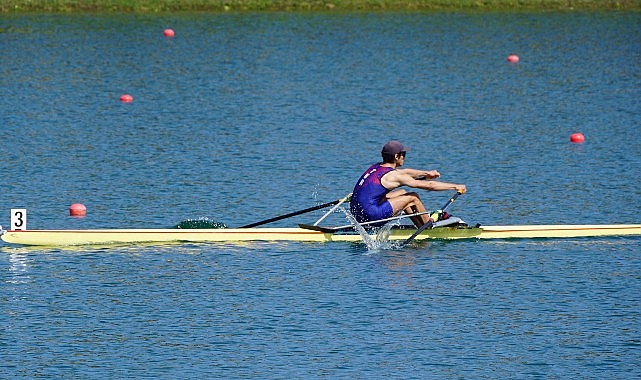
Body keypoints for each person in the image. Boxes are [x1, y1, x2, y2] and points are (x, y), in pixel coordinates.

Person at [350, 140, 467, 228]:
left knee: (402, 193)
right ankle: (428, 225)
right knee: (413, 197)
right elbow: (429, 186)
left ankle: (420, 224)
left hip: (358, 212)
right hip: (370, 216)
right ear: (396, 156)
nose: (404, 157)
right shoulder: (394, 176)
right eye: (403, 154)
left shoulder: (377, 167)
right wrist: (455, 186)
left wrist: (427, 173)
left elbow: (405, 172)